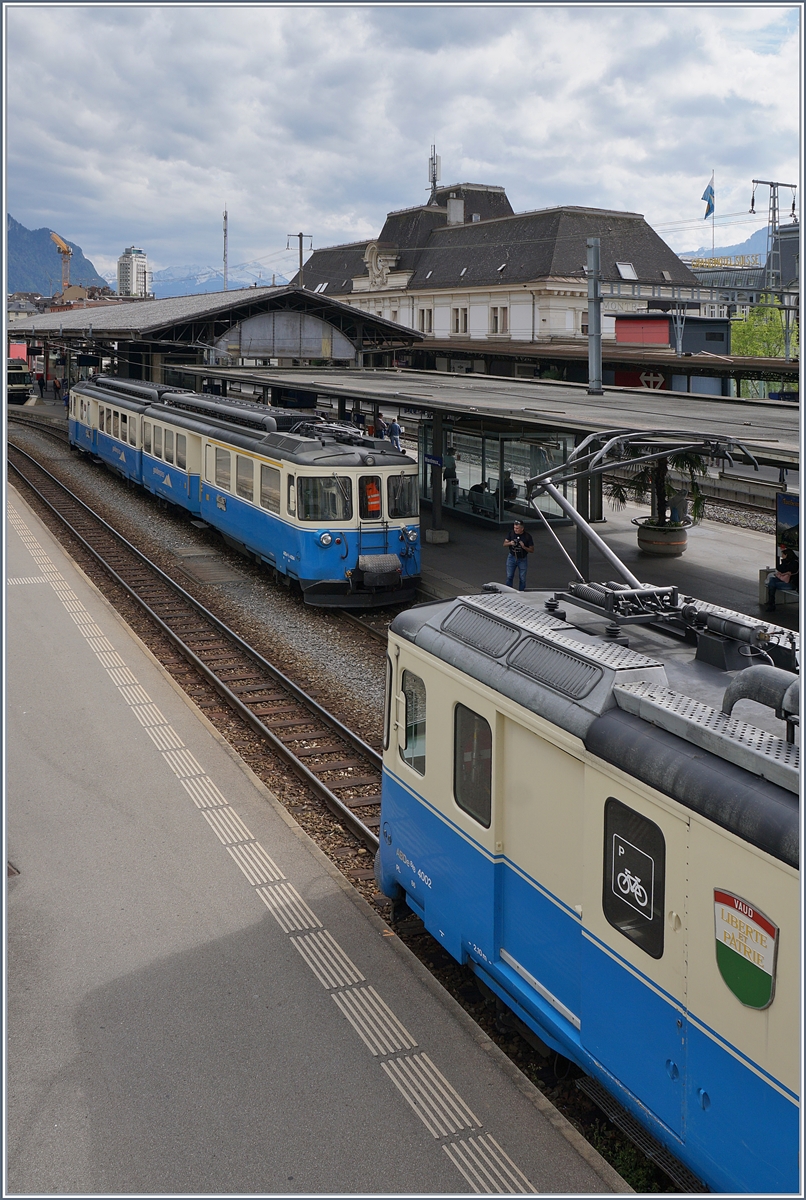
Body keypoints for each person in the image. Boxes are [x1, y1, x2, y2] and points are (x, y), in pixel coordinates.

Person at [765, 547, 798, 612]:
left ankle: (771, 603)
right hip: (784, 580)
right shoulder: (786, 562)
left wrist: (785, 570)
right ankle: (771, 602)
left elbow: (785, 570)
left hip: (791, 583)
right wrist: (783, 562)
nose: (782, 556)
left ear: (787, 555)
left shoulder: (795, 563)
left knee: (772, 584)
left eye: (783, 555)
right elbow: (780, 568)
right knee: (772, 580)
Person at [504, 519, 534, 591]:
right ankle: (508, 591)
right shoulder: (511, 533)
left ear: (522, 528)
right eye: (514, 528)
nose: (515, 530)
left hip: (522, 558)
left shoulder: (527, 536)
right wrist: (510, 543)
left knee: (522, 578)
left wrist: (524, 547)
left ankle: (521, 592)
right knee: (509, 576)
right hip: (512, 557)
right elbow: (504, 544)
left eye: (517, 528)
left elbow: (532, 550)